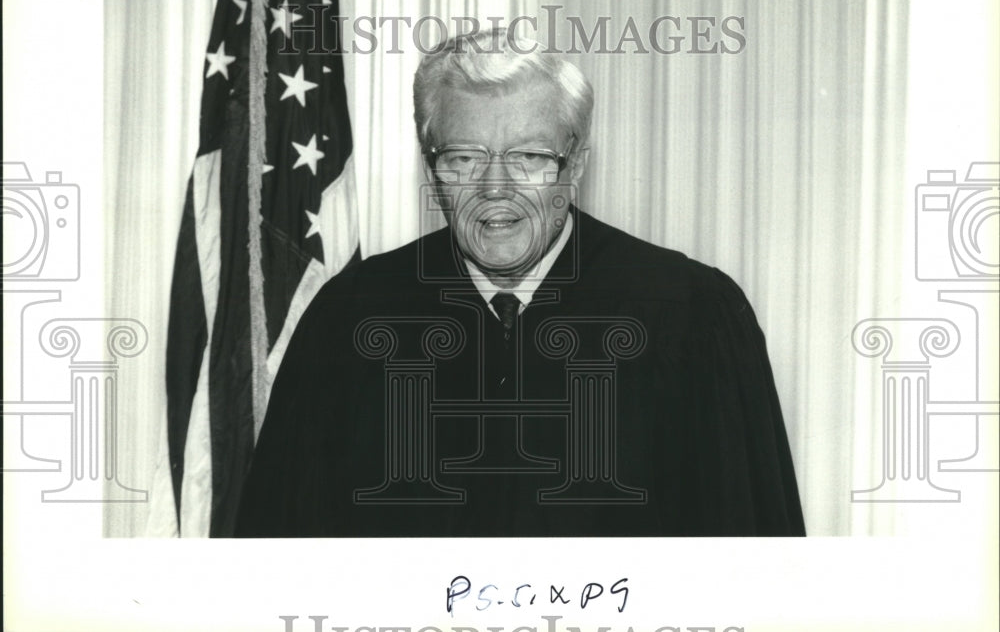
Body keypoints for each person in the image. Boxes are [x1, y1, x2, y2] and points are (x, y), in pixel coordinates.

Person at [235, 27, 805, 537]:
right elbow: (278, 566)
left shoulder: (692, 315)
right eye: (462, 157)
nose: (495, 188)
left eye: (530, 157)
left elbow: (754, 572)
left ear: (576, 163)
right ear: (430, 166)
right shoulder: (350, 318)